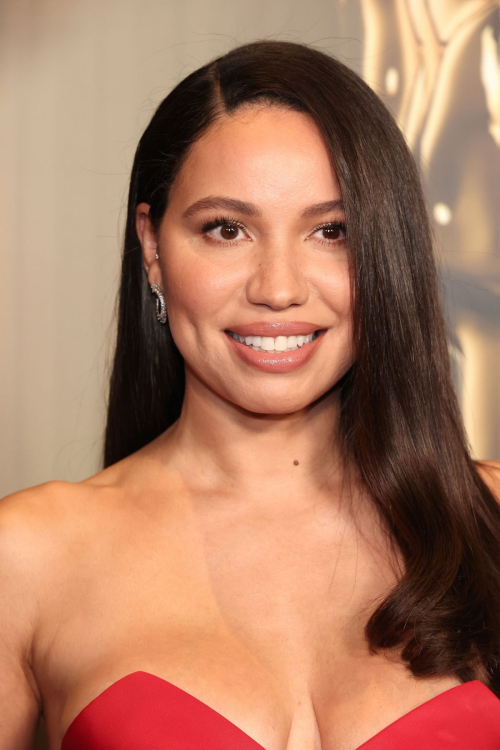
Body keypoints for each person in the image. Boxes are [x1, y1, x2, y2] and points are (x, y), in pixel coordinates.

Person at [1, 39, 500, 750]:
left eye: (332, 232)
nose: (278, 287)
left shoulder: (487, 523)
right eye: (226, 229)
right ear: (153, 247)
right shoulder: (30, 558)